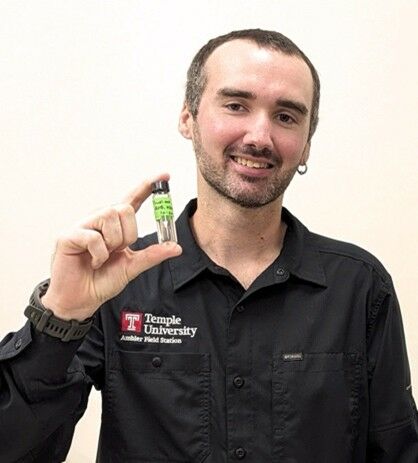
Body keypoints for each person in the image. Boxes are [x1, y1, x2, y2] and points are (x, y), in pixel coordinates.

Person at [0, 28, 417, 463]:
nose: (260, 136)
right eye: (236, 105)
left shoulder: (360, 287)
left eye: (287, 116)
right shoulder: (120, 282)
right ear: (188, 117)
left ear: (307, 142)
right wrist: (60, 317)